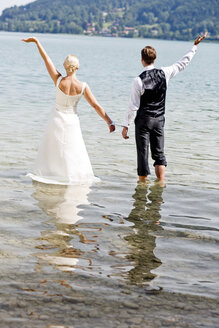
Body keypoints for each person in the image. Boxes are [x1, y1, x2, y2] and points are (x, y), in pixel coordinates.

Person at [22, 37, 115, 185]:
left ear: (65, 66)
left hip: (56, 119)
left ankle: (51, 175)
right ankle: (71, 177)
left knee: (53, 149)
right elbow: (96, 106)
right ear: (77, 68)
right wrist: (109, 122)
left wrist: (37, 42)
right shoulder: (83, 86)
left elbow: (46, 59)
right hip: (72, 121)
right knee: (73, 150)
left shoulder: (58, 80)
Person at [122, 33, 207, 183]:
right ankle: (160, 185)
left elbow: (133, 106)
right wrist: (194, 46)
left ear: (142, 60)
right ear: (154, 59)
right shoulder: (165, 73)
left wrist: (126, 125)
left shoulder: (138, 80)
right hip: (159, 120)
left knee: (143, 154)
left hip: (143, 121)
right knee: (159, 154)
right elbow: (183, 63)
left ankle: (142, 188)